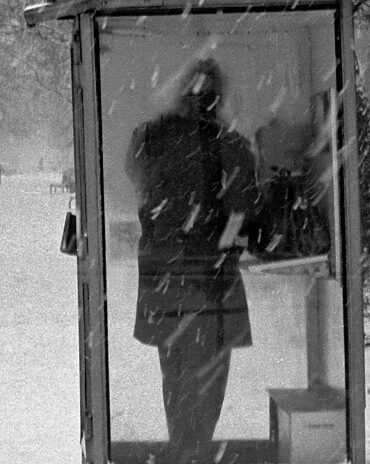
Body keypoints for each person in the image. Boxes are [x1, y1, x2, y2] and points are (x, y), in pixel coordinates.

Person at [125, 58, 260, 464]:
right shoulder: (230, 144)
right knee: (208, 383)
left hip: (165, 282)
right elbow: (242, 210)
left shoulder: (151, 135)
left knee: (176, 377)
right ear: (218, 98)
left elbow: (135, 178)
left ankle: (182, 449)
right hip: (211, 286)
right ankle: (195, 452)